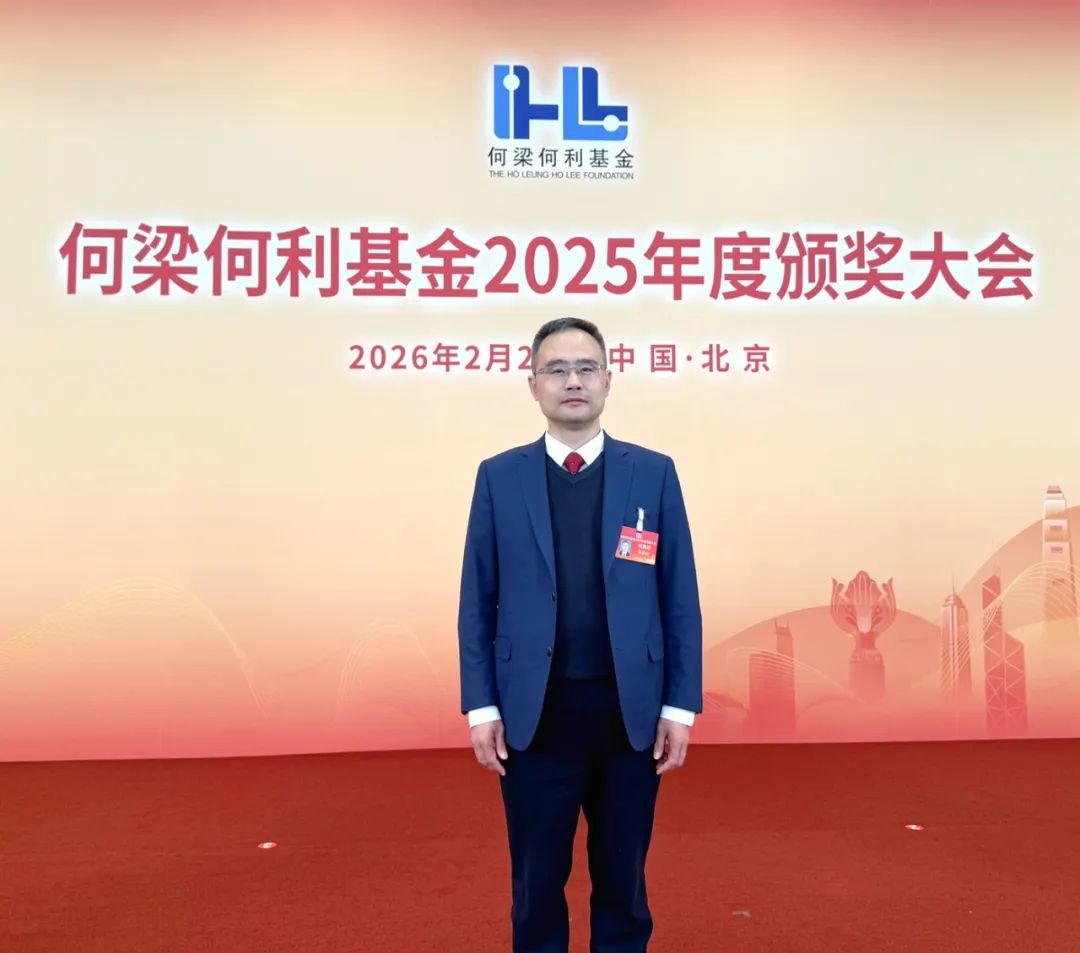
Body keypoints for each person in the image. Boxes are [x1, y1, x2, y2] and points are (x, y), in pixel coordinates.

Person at [458, 317, 703, 953]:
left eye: (586, 368)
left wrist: (680, 707)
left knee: (623, 880)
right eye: (557, 369)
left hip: (630, 715)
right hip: (534, 717)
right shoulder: (499, 477)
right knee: (537, 883)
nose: (573, 381)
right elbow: (477, 598)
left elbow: (679, 595)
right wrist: (481, 706)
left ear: (608, 381)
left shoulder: (652, 473)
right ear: (533, 384)